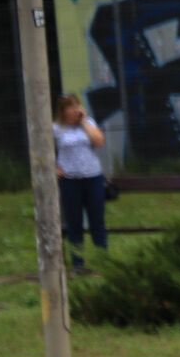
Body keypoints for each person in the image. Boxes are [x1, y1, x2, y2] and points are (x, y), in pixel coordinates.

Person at [53, 95, 108, 271]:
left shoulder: (88, 123)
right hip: (70, 180)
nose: (75, 109)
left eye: (77, 105)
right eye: (70, 107)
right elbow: (43, 149)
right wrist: (54, 167)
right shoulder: (56, 128)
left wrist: (84, 121)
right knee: (74, 222)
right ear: (63, 111)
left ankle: (103, 260)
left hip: (93, 178)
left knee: (97, 220)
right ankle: (78, 263)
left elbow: (99, 141)